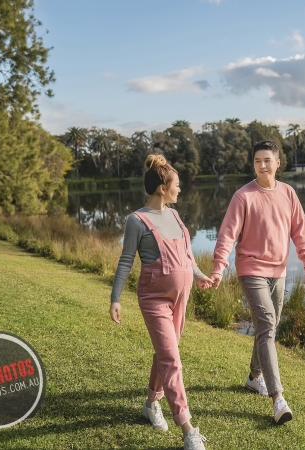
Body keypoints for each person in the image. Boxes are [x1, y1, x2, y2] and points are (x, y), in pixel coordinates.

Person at [209, 140, 305, 425]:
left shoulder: (288, 193)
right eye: (257, 161)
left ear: (278, 163)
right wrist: (219, 267)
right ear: (253, 163)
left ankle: (255, 376)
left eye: (267, 160)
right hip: (251, 269)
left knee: (268, 326)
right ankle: (278, 399)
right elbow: (227, 235)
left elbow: (300, 229)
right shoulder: (242, 197)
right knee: (267, 324)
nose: (263, 165)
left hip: (278, 271)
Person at [110, 154, 211, 450]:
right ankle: (188, 429)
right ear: (161, 188)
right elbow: (126, 261)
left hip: (182, 297)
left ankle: (150, 404)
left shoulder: (176, 216)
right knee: (171, 358)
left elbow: (188, 258)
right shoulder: (136, 220)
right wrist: (115, 298)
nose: (180, 190)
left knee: (165, 353)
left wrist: (200, 275)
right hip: (154, 299)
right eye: (177, 185)